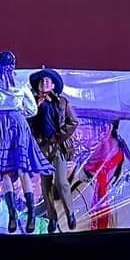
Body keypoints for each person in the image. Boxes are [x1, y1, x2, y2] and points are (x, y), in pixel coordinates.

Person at [0, 51, 53, 234]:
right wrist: (17, 112)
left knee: (5, 171)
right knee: (22, 169)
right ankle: (31, 213)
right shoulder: (21, 85)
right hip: (18, 124)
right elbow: (31, 109)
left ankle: (13, 215)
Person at [27, 68, 78, 232]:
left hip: (58, 146)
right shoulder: (32, 104)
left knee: (62, 182)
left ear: (54, 85)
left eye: (47, 81)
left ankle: (70, 213)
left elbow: (73, 122)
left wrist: (58, 137)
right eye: (41, 81)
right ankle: (52, 218)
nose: (44, 83)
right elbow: (28, 125)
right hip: (41, 148)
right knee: (45, 184)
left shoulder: (62, 102)